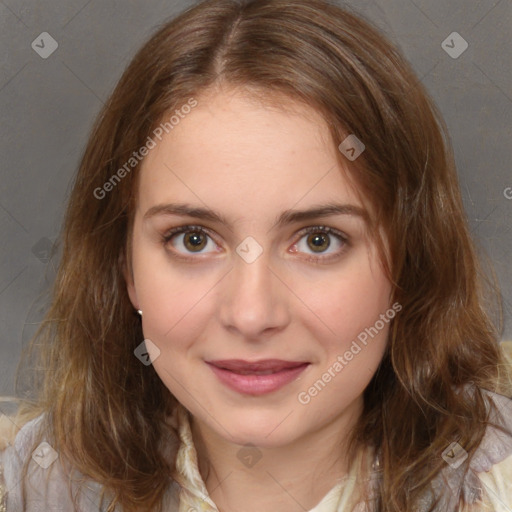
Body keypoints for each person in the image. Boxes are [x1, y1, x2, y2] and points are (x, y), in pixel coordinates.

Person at [1, 0, 512, 510]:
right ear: (125, 268)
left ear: (408, 265)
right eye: (193, 239)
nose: (251, 314)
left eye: (318, 240)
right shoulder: (33, 487)